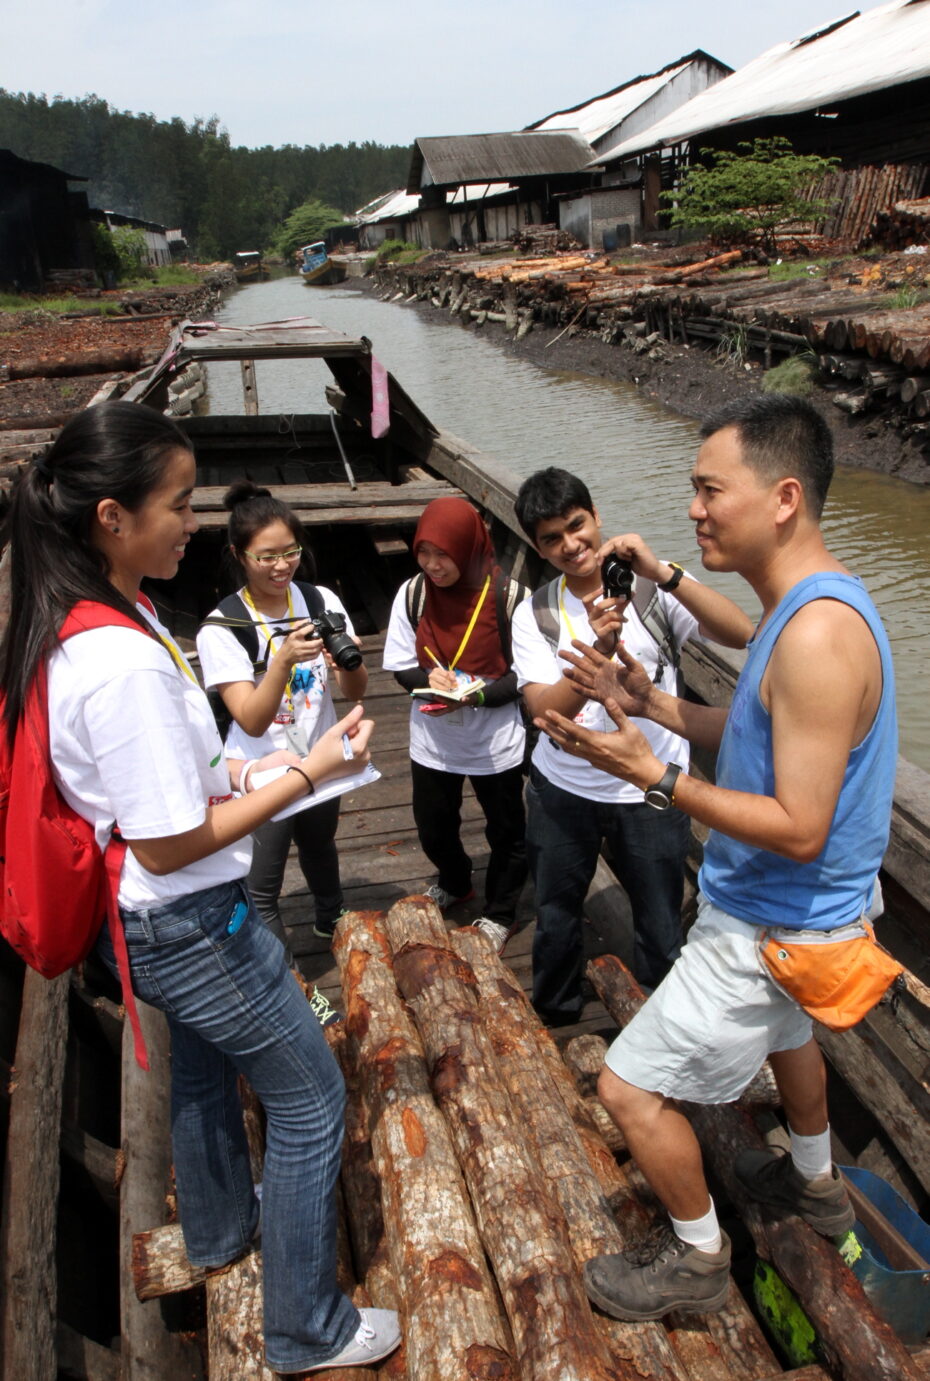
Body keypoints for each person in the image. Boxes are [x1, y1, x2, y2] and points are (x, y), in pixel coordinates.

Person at [0, 402, 400, 1374]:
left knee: (205, 1073)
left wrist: (248, 774)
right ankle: (308, 1327)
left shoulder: (101, 612)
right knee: (310, 1102)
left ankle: (221, 1231)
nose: (192, 523)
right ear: (110, 514)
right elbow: (173, 844)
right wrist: (305, 774)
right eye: (179, 505)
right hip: (186, 919)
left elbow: (175, 773)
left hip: (150, 916)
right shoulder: (123, 658)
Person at [541, 395, 897, 1321]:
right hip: (808, 912)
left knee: (625, 1086)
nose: (692, 508)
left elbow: (799, 822)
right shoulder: (800, 604)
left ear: (783, 497)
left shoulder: (816, 634)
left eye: (709, 489)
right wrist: (648, 705)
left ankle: (698, 1253)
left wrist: (653, 779)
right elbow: (750, 728)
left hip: (774, 914)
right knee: (790, 1036)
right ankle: (817, 1186)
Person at [510, 467, 753, 1025]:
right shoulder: (537, 612)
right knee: (555, 914)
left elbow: (742, 632)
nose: (572, 545)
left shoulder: (650, 592)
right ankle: (555, 1017)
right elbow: (542, 710)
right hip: (563, 787)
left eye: (577, 526)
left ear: (596, 516)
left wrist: (665, 573)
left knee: (661, 921)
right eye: (552, 538)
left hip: (650, 786)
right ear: (537, 548)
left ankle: (656, 1024)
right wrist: (599, 644)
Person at [196, 483, 368, 1000]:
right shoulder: (222, 627)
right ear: (238, 556)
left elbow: (356, 688)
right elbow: (249, 719)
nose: (282, 566)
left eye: (290, 552)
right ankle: (294, 988)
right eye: (266, 557)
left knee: (320, 843)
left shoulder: (320, 600)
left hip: (319, 757)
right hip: (262, 773)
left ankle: (331, 919)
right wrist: (282, 661)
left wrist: (348, 664)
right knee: (263, 890)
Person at [383, 496, 528, 951]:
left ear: (467, 546)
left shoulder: (509, 597)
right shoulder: (413, 593)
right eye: (424, 553)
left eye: (443, 554)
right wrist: (429, 682)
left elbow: (524, 677)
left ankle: (500, 912)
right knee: (433, 822)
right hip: (433, 738)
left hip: (495, 740)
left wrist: (474, 695)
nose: (433, 565)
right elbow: (400, 665)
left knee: (506, 829)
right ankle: (455, 880)